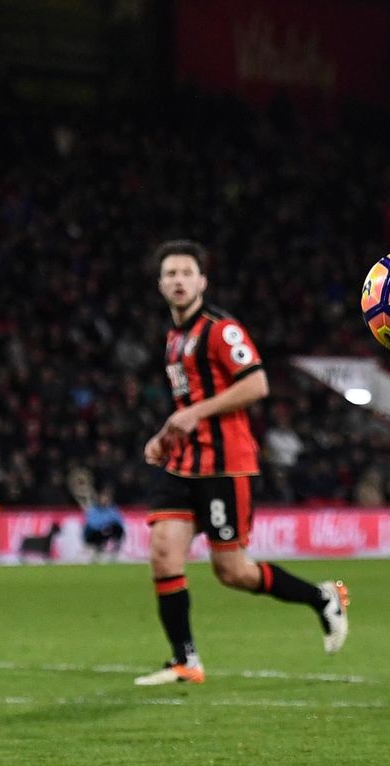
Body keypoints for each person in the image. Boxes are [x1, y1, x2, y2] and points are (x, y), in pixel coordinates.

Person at [135, 240, 349, 685]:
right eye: (170, 274)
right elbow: (187, 404)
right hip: (183, 464)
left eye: (186, 273)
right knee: (162, 554)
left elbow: (257, 384)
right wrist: (164, 435)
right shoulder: (174, 337)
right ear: (160, 284)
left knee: (232, 572)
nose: (178, 280)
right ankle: (185, 661)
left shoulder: (220, 329)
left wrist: (193, 415)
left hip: (225, 466)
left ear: (202, 281)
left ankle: (321, 596)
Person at [82, 487, 126, 560]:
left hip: (107, 531)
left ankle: (114, 550)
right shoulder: (93, 510)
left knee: (117, 528)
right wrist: (103, 526)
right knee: (90, 530)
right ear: (99, 499)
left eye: (106, 498)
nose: (104, 500)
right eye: (103, 498)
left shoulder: (113, 509)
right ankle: (95, 549)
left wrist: (108, 526)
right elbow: (92, 523)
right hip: (96, 533)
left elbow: (120, 521)